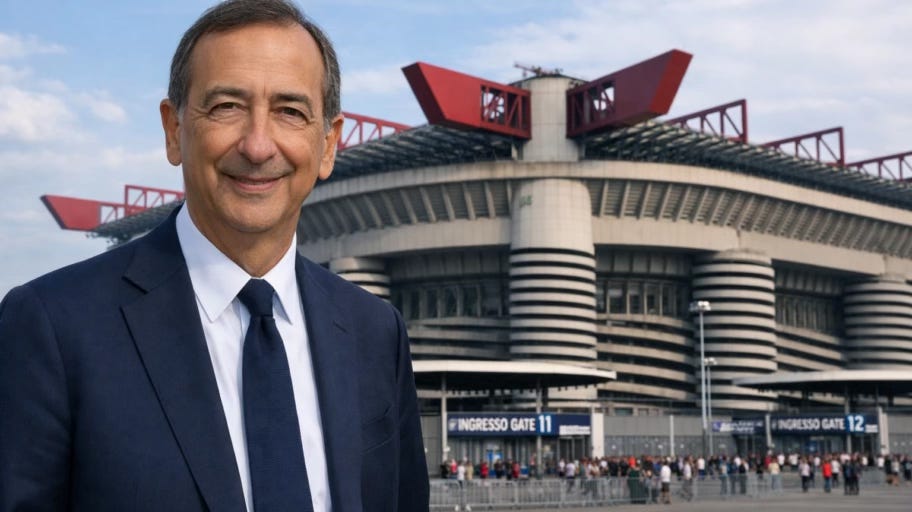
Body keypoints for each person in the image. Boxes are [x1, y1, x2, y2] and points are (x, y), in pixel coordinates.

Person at [0, 1, 429, 511]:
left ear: (329, 144)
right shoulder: (53, 326)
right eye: (226, 106)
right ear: (173, 130)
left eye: (290, 112)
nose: (257, 145)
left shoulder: (375, 332)